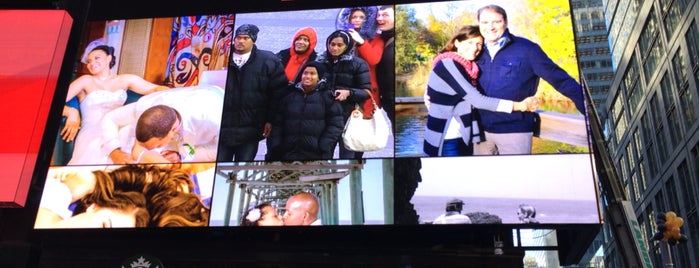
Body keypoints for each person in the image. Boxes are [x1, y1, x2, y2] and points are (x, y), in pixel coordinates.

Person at [474, 5, 586, 155]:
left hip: (514, 131)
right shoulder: (474, 49)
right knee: (484, 178)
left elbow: (560, 79)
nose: (491, 27)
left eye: (496, 22)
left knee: (517, 177)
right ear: (479, 24)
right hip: (479, 132)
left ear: (506, 23)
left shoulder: (527, 49)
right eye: (485, 22)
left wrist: (590, 109)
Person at [423, 25, 537, 157]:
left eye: (479, 44)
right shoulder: (449, 64)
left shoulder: (467, 67)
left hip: (463, 135)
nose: (474, 48)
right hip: (446, 138)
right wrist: (520, 106)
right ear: (457, 42)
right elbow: (477, 100)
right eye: (469, 42)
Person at [63, 45, 169, 165]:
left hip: (120, 127)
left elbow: (155, 89)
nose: (92, 63)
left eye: (97, 58)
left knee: (134, 136)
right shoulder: (86, 80)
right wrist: (71, 112)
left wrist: (175, 95)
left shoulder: (124, 79)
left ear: (109, 58)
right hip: (93, 131)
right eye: (89, 61)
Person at [100, 85, 223, 164]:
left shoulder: (214, 122)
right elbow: (110, 117)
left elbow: (215, 151)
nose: (154, 149)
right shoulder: (149, 104)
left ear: (172, 130)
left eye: (157, 145)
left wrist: (182, 156)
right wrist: (114, 152)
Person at [218, 24, 288, 162]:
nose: (240, 41)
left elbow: (278, 94)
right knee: (219, 169)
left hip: (251, 130)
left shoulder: (268, 61)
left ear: (253, 40)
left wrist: (270, 120)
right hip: (222, 129)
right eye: (238, 37)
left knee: (243, 171)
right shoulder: (219, 58)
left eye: (245, 38)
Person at [266, 61, 344, 161]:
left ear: (319, 77)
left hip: (316, 154)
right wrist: (276, 146)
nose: (307, 76)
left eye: (312, 74)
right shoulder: (289, 96)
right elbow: (277, 124)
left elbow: (336, 125)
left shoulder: (328, 97)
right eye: (305, 73)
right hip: (287, 153)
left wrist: (324, 146)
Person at [315, 30, 372, 159]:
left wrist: (349, 93)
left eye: (340, 45)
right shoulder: (319, 62)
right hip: (324, 117)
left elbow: (367, 92)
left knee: (348, 155)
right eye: (332, 44)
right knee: (322, 154)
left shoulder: (358, 64)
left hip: (348, 116)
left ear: (347, 46)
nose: (335, 48)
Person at [343, 6, 383, 119]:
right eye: (354, 17)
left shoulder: (376, 38)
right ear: (348, 19)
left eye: (361, 17)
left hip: (367, 89)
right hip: (346, 87)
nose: (357, 20)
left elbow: (374, 59)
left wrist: (361, 42)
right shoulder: (343, 37)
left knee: (365, 125)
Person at [374, 5, 396, 127]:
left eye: (385, 15)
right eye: (378, 15)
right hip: (386, 100)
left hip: (392, 99)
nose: (380, 18)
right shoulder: (379, 39)